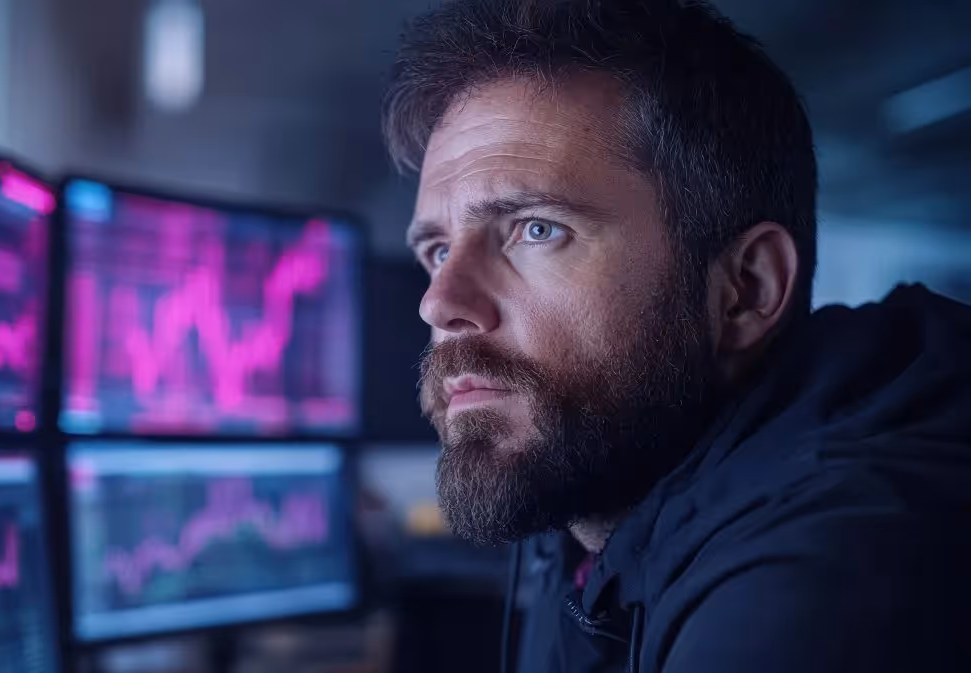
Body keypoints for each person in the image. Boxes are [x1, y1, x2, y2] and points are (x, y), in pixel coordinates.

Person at [382, 0, 971, 672]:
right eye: (435, 249)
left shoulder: (838, 574)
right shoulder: (590, 475)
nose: (439, 302)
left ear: (745, 288)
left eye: (537, 229)